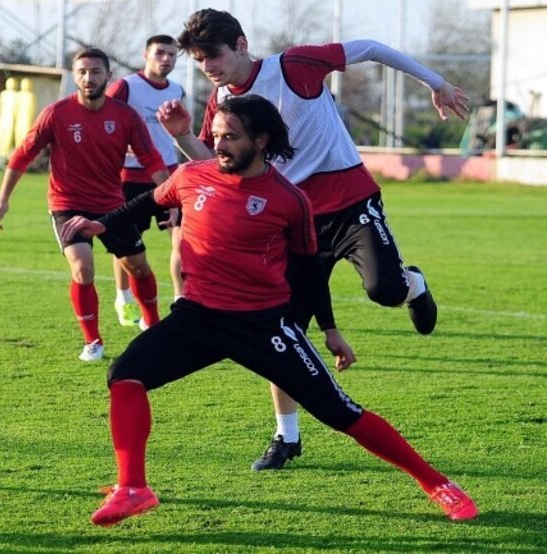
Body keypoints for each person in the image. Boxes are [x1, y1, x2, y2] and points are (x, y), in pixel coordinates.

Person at [61, 94, 478, 527]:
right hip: (197, 317)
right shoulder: (191, 176)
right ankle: (133, 488)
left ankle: (438, 484)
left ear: (261, 140)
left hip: (264, 325)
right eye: (216, 136)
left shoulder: (288, 199)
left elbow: (310, 272)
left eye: (231, 137)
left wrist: (329, 328)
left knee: (341, 413)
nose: (219, 145)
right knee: (125, 375)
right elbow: (152, 199)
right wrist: (103, 223)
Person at [157, 8, 471, 471]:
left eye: (213, 56)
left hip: (349, 203)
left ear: (241, 45)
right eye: (200, 60)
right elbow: (214, 163)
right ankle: (286, 436)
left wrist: (436, 82)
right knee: (280, 332)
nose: (208, 67)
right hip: (288, 222)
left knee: (384, 290)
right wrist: (183, 135)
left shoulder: (295, 65)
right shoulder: (221, 102)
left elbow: (370, 47)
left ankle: (414, 286)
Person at [0, 48, 168, 362]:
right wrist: (2, 199)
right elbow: (22, 155)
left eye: (95, 71)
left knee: (138, 267)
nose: (89, 78)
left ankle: (152, 325)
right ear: (74, 76)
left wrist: (171, 198)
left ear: (107, 75)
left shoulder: (125, 116)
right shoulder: (56, 113)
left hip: (113, 205)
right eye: (82, 72)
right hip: (67, 205)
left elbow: (151, 158)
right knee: (82, 267)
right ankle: (93, 342)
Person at [106, 34, 186, 328]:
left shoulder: (177, 89)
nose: (166, 59)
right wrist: (120, 145)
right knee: (128, 244)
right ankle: (124, 298)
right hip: (130, 178)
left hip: (169, 175)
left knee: (183, 239)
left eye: (172, 54)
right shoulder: (126, 87)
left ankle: (181, 301)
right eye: (160, 53)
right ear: (145, 55)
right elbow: (105, 121)